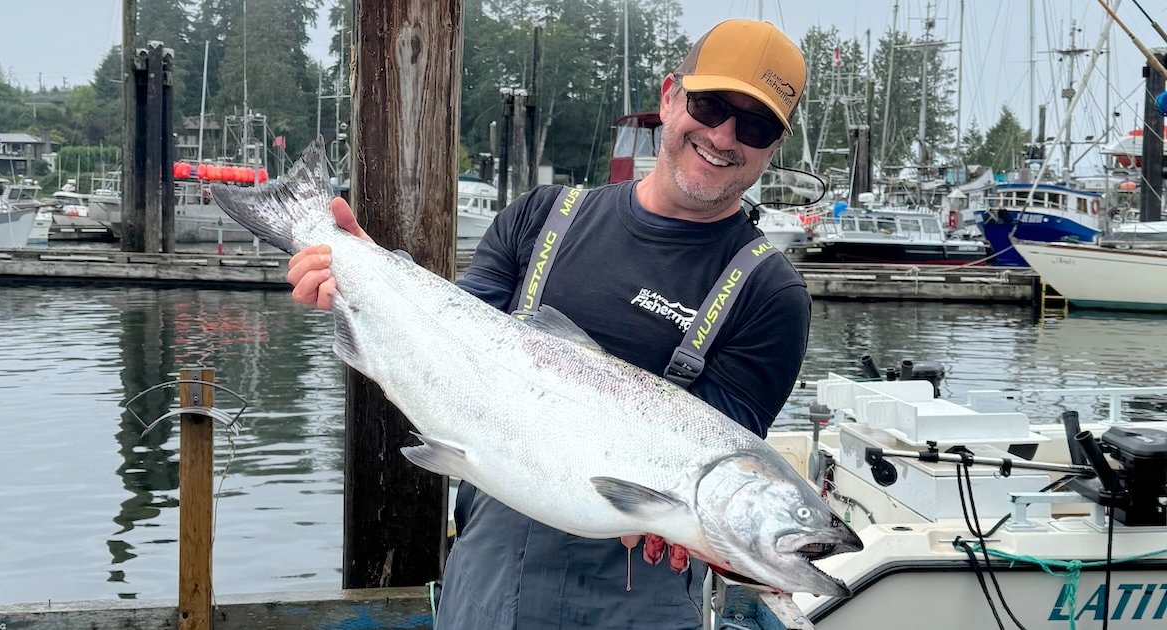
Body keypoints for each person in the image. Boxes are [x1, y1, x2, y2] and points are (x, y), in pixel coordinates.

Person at [288, 18, 811, 630]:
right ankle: (297, 211)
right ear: (670, 97)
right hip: (485, 582)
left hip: (639, 601)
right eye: (711, 104)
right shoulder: (540, 218)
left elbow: (720, 463)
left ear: (774, 146)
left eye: (754, 125)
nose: (723, 135)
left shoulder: (771, 294)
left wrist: (717, 543)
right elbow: (449, 350)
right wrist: (365, 280)